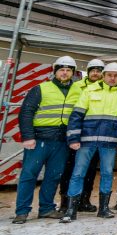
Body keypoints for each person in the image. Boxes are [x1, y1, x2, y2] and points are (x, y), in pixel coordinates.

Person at [61, 62, 117, 223]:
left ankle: (103, 208)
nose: (113, 78)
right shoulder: (89, 90)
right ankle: (70, 210)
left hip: (110, 142)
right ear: (104, 75)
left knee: (107, 174)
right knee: (78, 173)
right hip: (86, 140)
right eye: (109, 75)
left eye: (116, 75)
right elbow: (76, 116)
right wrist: (73, 138)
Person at [13, 56, 82, 224]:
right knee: (29, 175)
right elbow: (26, 112)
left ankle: (46, 208)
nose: (65, 73)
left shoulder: (78, 91)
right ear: (55, 71)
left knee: (53, 176)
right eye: (61, 70)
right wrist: (28, 137)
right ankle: (22, 211)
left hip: (61, 141)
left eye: (68, 70)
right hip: (39, 139)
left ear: (73, 73)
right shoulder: (41, 89)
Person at [59, 58, 104, 214]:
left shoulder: (105, 88)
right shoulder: (76, 86)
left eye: (99, 71)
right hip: (77, 133)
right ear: (88, 72)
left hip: (93, 134)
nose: (96, 73)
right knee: (70, 168)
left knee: (90, 169)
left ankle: (84, 200)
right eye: (93, 70)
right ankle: (66, 201)